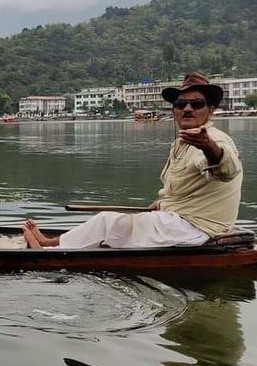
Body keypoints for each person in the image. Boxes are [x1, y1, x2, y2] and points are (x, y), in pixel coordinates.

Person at [23, 71, 243, 249]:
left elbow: (227, 170)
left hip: (198, 228)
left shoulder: (212, 140)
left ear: (210, 111)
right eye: (180, 104)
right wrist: (161, 204)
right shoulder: (182, 142)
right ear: (174, 111)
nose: (187, 109)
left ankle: (48, 246)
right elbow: (183, 190)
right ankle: (55, 243)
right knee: (118, 223)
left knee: (108, 222)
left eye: (196, 104)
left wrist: (210, 148)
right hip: (180, 219)